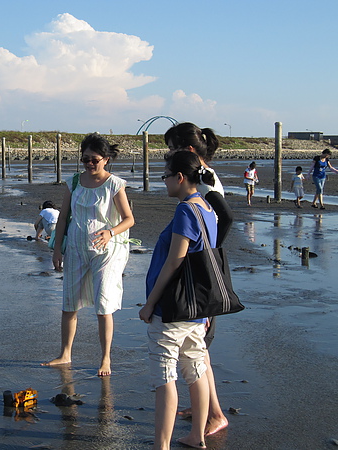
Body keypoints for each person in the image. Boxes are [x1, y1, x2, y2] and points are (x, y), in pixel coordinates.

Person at [139, 151, 218, 449]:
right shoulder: (208, 210)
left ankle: (162, 444)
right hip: (197, 309)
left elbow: (175, 261)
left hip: (172, 308)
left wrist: (150, 304)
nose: (164, 182)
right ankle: (197, 435)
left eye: (165, 176)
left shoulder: (186, 210)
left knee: (165, 374)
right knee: (195, 369)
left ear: (180, 177)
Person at [43, 133, 135, 377]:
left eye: (95, 160)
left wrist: (110, 232)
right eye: (85, 160)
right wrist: (56, 249)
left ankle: (105, 359)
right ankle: (65, 353)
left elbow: (129, 219)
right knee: (69, 303)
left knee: (103, 305)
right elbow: (63, 217)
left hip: (107, 252)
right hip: (75, 248)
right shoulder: (73, 182)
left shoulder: (115, 184)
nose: (90, 164)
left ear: (105, 159)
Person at [164, 122, 230, 437]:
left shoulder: (203, 182)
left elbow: (224, 217)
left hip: (202, 279)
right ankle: (201, 405)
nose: (168, 154)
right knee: (197, 348)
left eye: (171, 148)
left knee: (199, 349)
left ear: (187, 150)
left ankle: (215, 414)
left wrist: (208, 256)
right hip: (203, 275)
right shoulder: (204, 176)